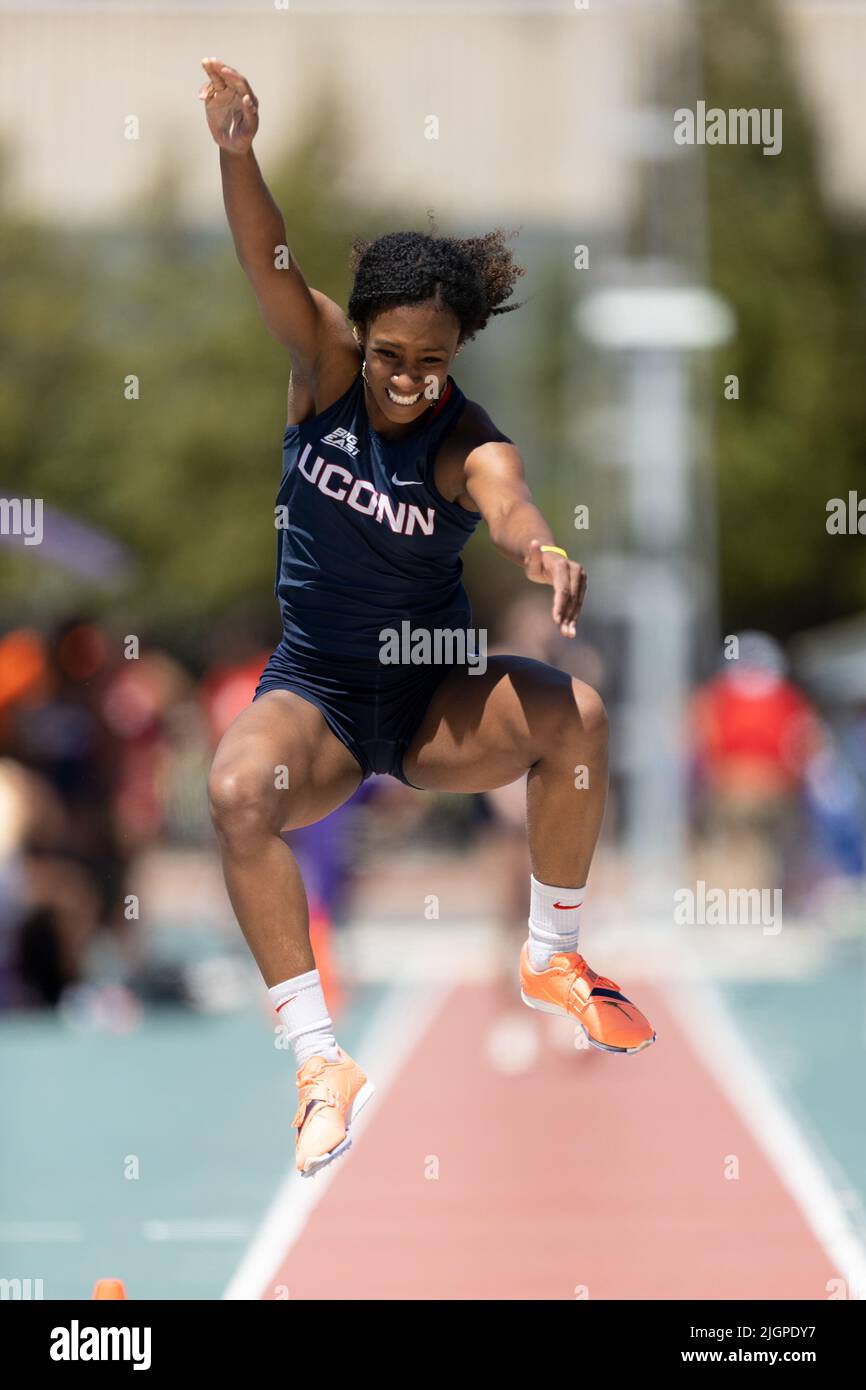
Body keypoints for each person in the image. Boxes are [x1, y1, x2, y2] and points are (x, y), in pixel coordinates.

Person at [199, 59, 655, 1178]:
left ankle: (551, 956)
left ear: (459, 355)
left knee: (577, 714)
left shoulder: (466, 440)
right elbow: (271, 261)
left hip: (431, 695)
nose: (405, 381)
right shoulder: (321, 368)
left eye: (432, 363)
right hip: (317, 693)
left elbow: (508, 502)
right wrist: (235, 151)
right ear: (360, 337)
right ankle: (319, 1061)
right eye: (391, 357)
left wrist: (539, 546)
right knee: (232, 790)